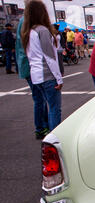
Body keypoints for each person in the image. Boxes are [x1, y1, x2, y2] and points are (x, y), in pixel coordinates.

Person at [21, 0, 63, 133]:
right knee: (55, 109)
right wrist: (59, 78)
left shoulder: (27, 32)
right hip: (48, 76)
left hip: (36, 76)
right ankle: (54, 138)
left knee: (46, 105)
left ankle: (46, 132)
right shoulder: (42, 31)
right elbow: (50, 57)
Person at [16, 0, 49, 139]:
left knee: (39, 98)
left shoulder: (23, 22)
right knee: (40, 99)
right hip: (33, 67)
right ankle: (41, 127)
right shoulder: (29, 23)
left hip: (27, 65)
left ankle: (42, 126)